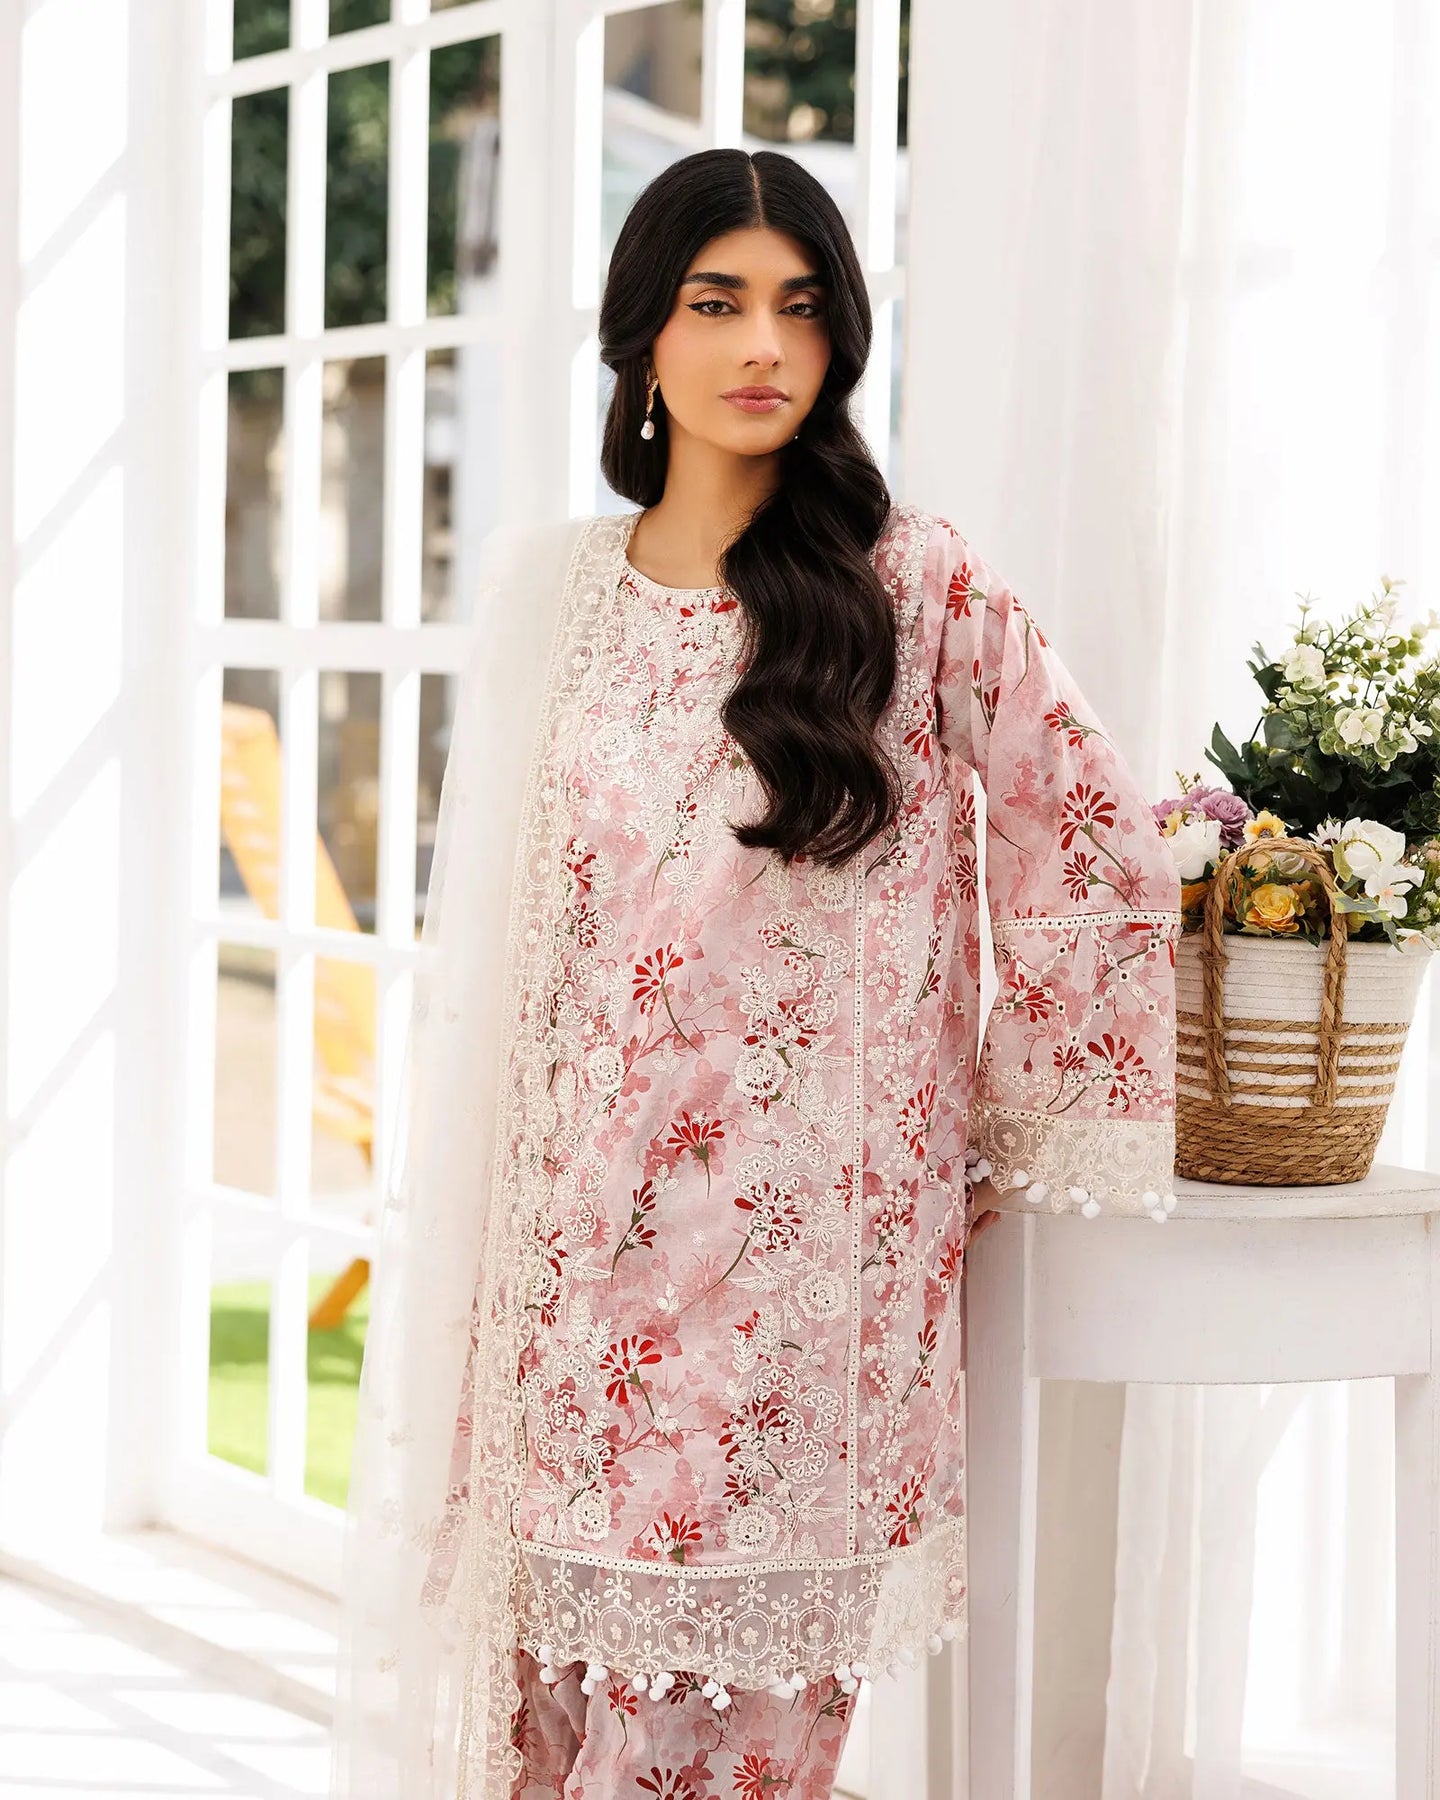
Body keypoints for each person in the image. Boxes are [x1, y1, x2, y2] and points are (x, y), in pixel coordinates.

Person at [329, 147, 1181, 1800]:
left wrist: (986, 1140)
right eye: (717, 304)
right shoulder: (553, 597)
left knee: (733, 1747)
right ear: (643, 338)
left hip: (802, 1299)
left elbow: (1089, 843)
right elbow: (505, 945)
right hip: (569, 1281)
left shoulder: (911, 585)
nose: (763, 346)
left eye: (801, 307)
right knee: (544, 1733)